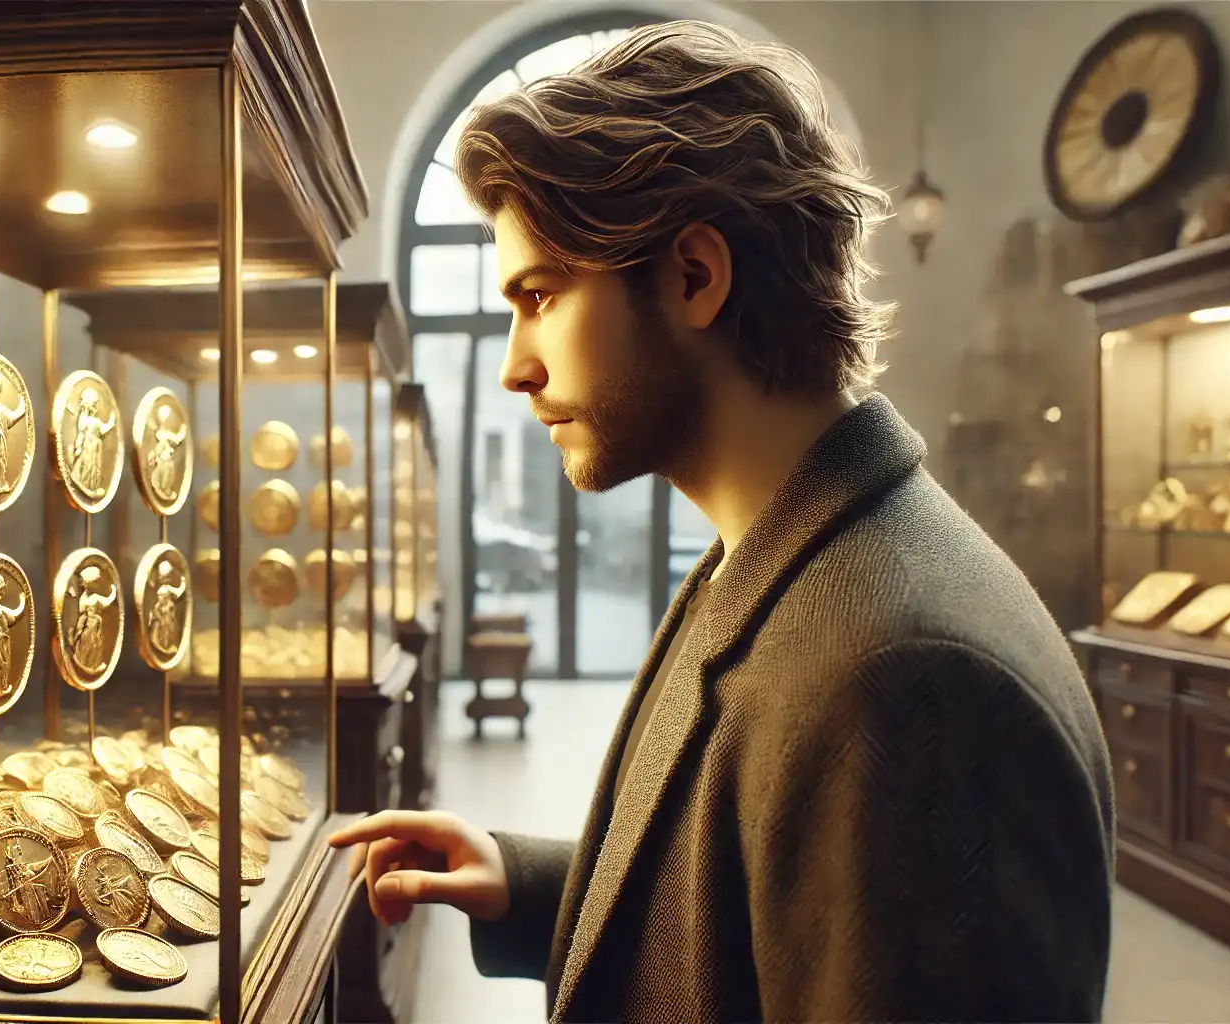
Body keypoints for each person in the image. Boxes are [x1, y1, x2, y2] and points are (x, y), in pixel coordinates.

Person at [328, 20, 1114, 1024]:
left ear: (694, 276)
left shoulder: (906, 676)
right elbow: (765, 898)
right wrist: (527, 886)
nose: (514, 365)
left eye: (541, 294)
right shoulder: (784, 553)